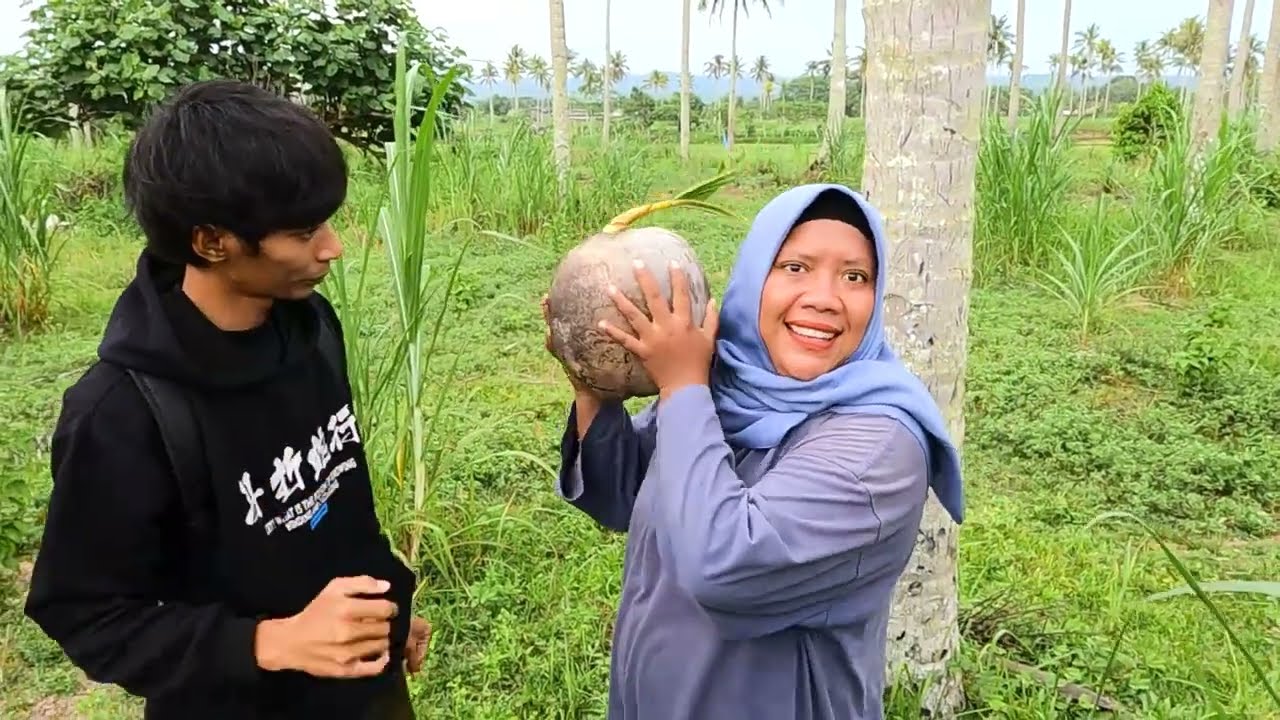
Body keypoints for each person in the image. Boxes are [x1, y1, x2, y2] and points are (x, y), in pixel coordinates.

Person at [23, 80, 430, 720]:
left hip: (363, 687)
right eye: (302, 232)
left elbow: (337, 491)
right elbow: (83, 612)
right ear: (213, 242)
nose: (333, 247)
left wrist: (390, 602)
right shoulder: (122, 412)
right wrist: (267, 641)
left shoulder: (313, 328)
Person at [545, 183, 965, 720]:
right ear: (753, 279)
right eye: (795, 267)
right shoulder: (725, 389)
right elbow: (623, 494)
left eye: (854, 276)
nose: (824, 297)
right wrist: (595, 387)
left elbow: (725, 567)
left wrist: (680, 386)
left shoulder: (880, 452)